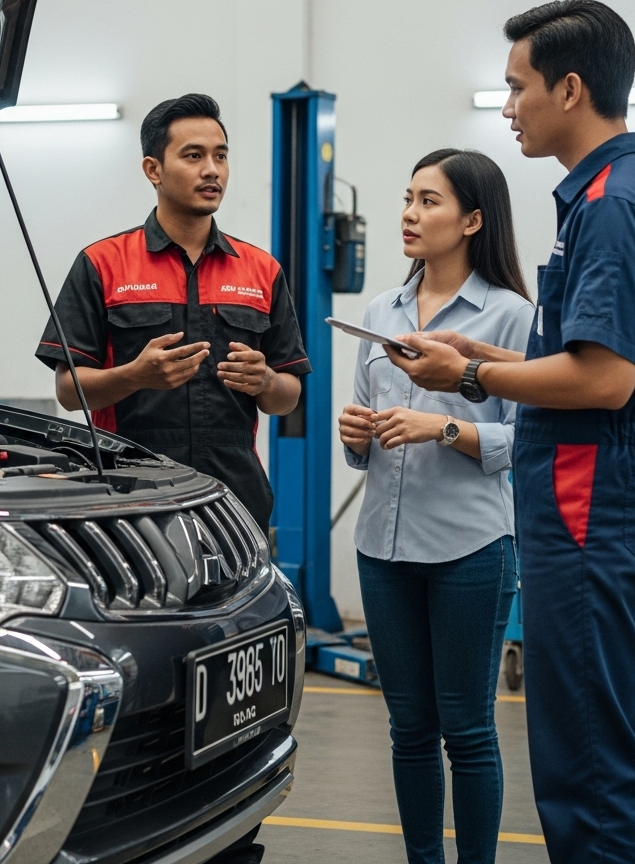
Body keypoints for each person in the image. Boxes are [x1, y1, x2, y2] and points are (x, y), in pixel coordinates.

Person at [384, 0, 635, 864]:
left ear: (570, 87)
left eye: (518, 87)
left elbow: (604, 377)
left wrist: (470, 377)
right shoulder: (618, 195)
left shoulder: (610, 206)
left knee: (587, 758)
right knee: (601, 740)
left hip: (597, 486)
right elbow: (585, 355)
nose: (507, 105)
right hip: (602, 482)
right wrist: (481, 349)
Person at [338, 148, 534, 864]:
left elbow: (528, 439)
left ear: (473, 220)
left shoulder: (511, 317)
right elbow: (366, 434)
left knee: (468, 731)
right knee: (408, 729)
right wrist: (356, 434)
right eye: (408, 198)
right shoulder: (379, 311)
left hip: (470, 550)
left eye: (430, 202)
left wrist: (442, 428)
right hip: (382, 549)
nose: (410, 214)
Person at [35, 93, 310, 527]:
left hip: (235, 497)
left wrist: (266, 380)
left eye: (220, 156)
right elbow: (69, 392)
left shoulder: (262, 269)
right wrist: (136, 376)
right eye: (194, 155)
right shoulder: (102, 263)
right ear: (153, 170)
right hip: (129, 491)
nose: (212, 170)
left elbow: (287, 398)